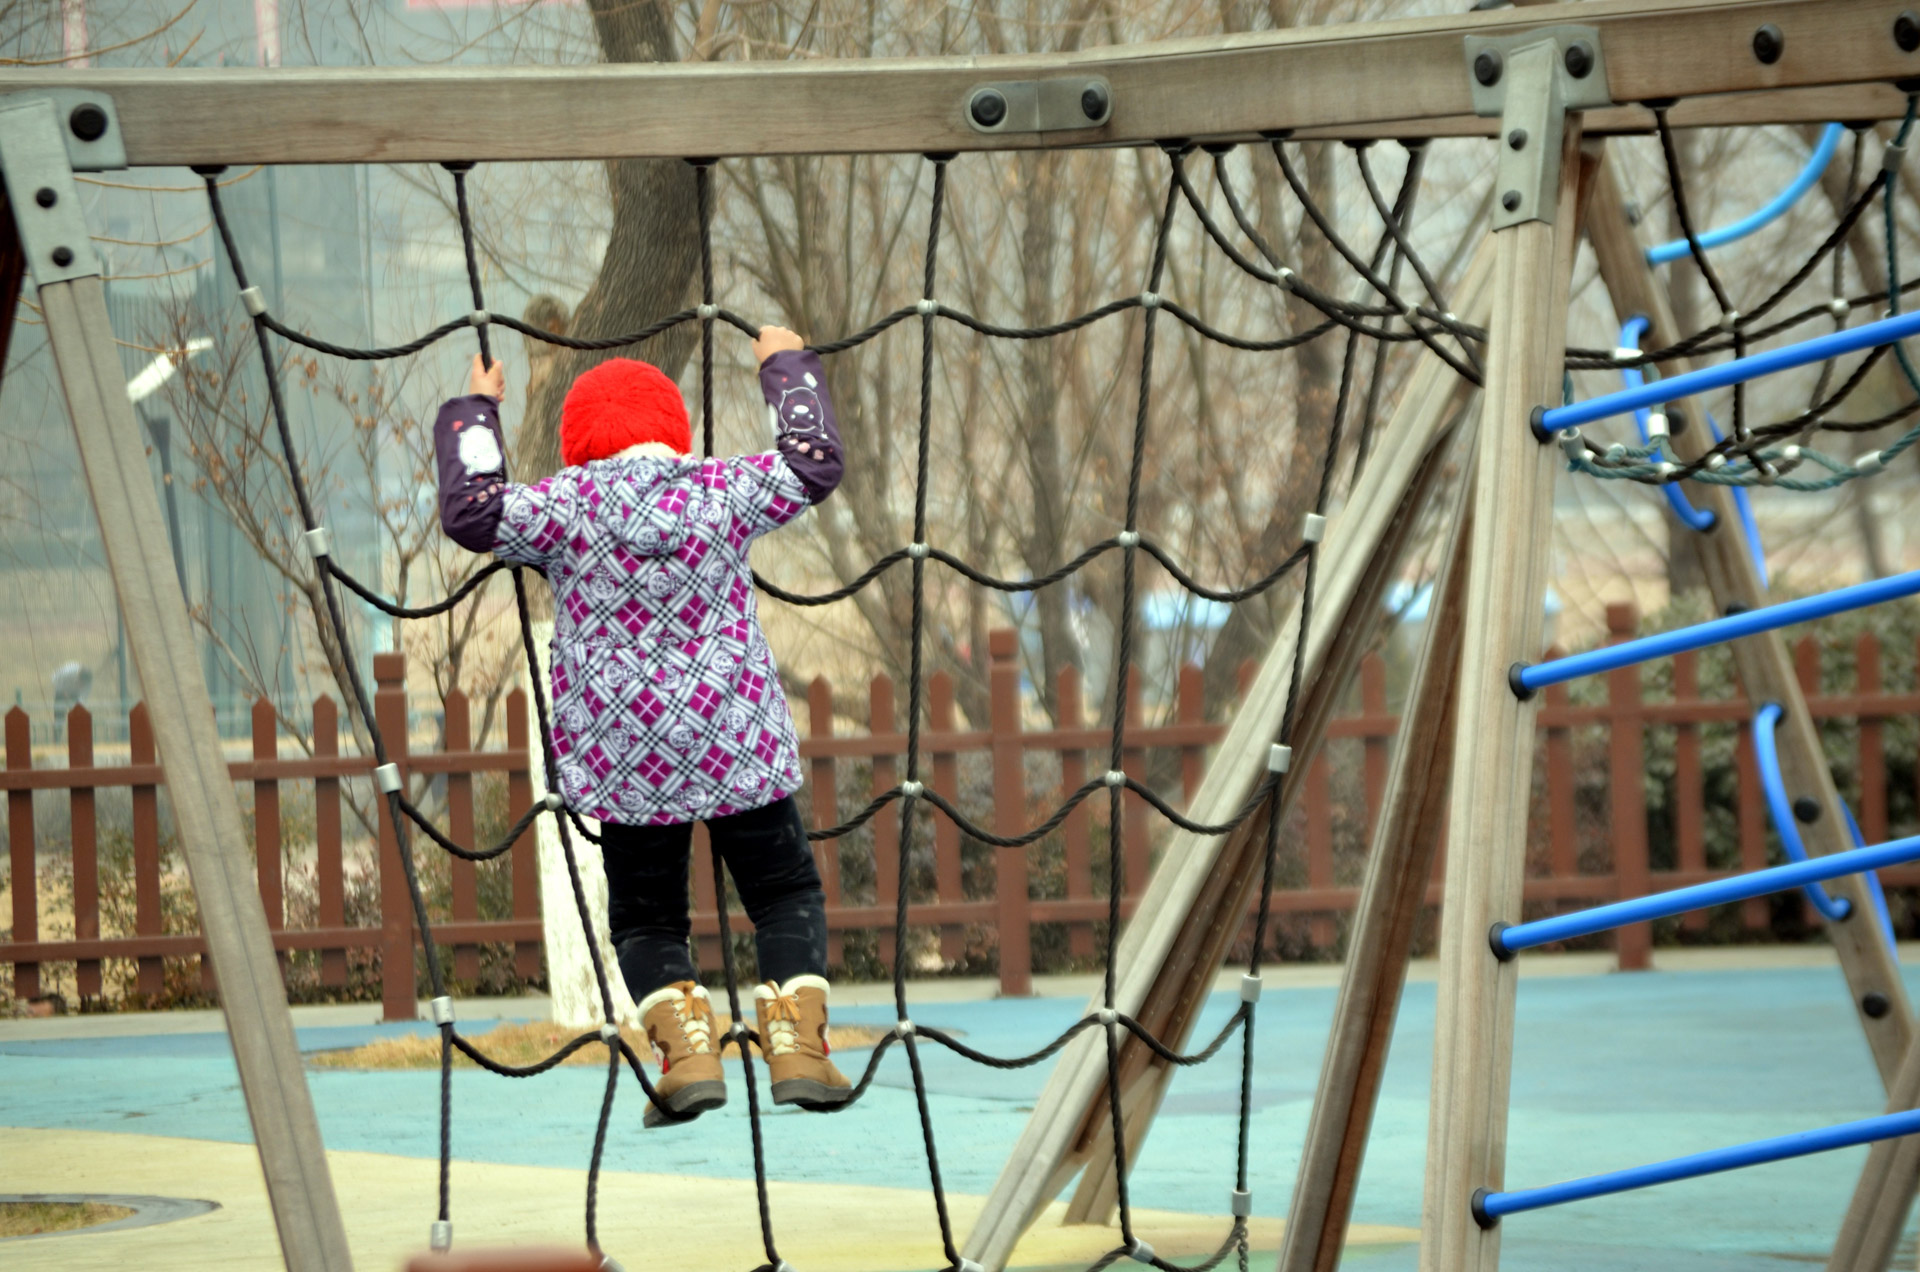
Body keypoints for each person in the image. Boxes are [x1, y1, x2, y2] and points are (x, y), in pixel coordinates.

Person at [432, 327, 850, 1126]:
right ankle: (799, 1047)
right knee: (784, 890)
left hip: (629, 758)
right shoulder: (721, 490)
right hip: (733, 737)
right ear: (676, 428)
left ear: (577, 440)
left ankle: (686, 1053)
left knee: (648, 916)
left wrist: (475, 412)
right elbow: (813, 463)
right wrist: (783, 369)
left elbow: (471, 514)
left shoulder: (564, 508)